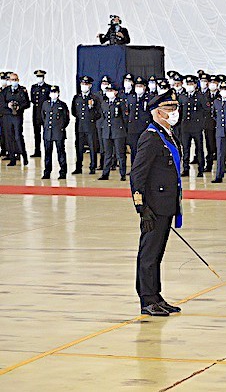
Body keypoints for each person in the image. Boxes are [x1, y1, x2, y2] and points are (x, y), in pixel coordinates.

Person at [129, 91, 183, 316]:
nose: (174, 113)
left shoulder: (167, 134)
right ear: (158, 112)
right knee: (149, 254)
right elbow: (137, 175)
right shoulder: (151, 137)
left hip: (166, 204)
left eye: (175, 109)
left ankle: (156, 295)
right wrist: (142, 207)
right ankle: (146, 299)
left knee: (158, 252)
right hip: (153, 207)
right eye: (170, 110)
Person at [177, 75, 206, 178]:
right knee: (185, 148)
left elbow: (205, 111)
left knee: (199, 148)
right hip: (185, 126)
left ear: (195, 85)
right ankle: (185, 168)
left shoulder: (200, 96)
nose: (190, 86)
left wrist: (201, 124)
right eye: (188, 84)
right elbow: (179, 111)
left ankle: (201, 169)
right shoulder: (182, 96)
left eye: (191, 84)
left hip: (196, 126)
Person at [98, 84, 128, 181]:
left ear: (115, 92)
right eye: (108, 91)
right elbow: (103, 117)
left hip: (118, 131)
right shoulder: (104, 103)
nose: (109, 92)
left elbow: (125, 118)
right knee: (108, 154)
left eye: (111, 90)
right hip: (107, 131)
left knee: (120, 154)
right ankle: (105, 174)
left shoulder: (121, 103)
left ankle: (122, 174)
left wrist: (124, 129)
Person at [71, 76, 100, 174]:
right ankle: (78, 167)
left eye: (86, 84)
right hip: (80, 126)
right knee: (79, 147)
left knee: (92, 147)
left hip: (90, 126)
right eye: (83, 84)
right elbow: (74, 112)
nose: (84, 86)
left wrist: (91, 116)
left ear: (90, 86)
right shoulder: (77, 98)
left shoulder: (94, 98)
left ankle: (92, 166)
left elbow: (98, 113)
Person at [40, 85, 70, 179]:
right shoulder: (45, 104)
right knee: (47, 153)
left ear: (58, 93)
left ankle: (63, 172)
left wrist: (60, 127)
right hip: (48, 133)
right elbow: (43, 117)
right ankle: (47, 172)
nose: (53, 94)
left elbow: (66, 119)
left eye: (55, 92)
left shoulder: (62, 105)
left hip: (58, 132)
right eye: (52, 92)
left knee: (61, 153)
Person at [0, 72, 30, 166]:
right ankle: (12, 158)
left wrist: (19, 107)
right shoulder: (5, 91)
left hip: (17, 116)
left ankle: (24, 156)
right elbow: (1, 103)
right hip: (7, 117)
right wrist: (7, 105)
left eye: (16, 80)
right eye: (12, 80)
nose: (14, 82)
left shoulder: (22, 90)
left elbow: (27, 103)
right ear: (9, 81)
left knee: (18, 136)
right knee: (9, 137)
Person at [125, 77, 151, 165]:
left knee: (145, 149)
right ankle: (134, 167)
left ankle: (144, 168)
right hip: (133, 128)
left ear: (144, 87)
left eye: (140, 86)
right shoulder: (130, 98)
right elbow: (127, 113)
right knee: (133, 149)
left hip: (144, 128)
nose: (138, 88)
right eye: (137, 86)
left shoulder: (149, 98)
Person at [30, 69, 51, 158]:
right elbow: (33, 100)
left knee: (46, 134)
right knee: (36, 133)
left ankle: (47, 150)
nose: (39, 78)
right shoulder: (33, 87)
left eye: (40, 77)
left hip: (45, 114)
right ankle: (37, 150)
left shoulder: (48, 88)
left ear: (43, 77)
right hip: (36, 113)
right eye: (38, 77)